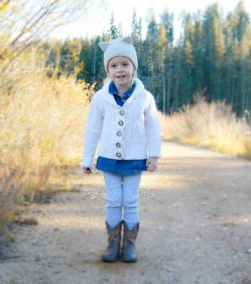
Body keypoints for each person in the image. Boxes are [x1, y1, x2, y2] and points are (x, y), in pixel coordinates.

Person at [81, 37, 161, 263]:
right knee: (114, 200)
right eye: (114, 66)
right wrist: (87, 158)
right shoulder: (100, 98)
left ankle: (129, 245)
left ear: (133, 68)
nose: (120, 70)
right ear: (108, 70)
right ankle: (113, 243)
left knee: (131, 200)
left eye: (125, 64)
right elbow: (93, 130)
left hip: (135, 159)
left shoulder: (145, 97)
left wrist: (153, 155)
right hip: (109, 158)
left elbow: (153, 127)